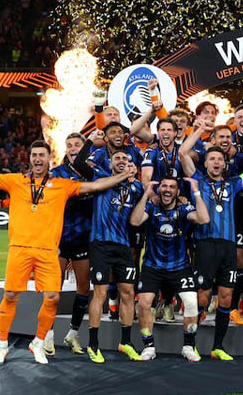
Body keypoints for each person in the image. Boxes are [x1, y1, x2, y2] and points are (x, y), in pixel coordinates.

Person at [0, 141, 132, 365]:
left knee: (52, 298)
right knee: (11, 295)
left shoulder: (62, 185)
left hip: (48, 252)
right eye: (34, 155)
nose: (38, 159)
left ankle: (38, 342)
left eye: (42, 155)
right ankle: (2, 345)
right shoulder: (16, 181)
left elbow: (95, 186)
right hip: (19, 250)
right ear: (30, 159)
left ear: (49, 158)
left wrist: (123, 176)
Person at [180, 117, 243, 361]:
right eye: (212, 158)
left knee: (225, 297)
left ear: (225, 164)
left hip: (228, 247)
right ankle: (189, 345)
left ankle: (218, 347)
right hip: (205, 244)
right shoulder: (198, 180)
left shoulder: (233, 184)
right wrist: (199, 130)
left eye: (220, 159)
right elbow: (183, 153)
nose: (216, 162)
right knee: (202, 297)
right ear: (205, 163)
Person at [130, 176, 209, 362]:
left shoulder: (183, 209)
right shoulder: (151, 207)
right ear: (159, 190)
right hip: (152, 265)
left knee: (191, 302)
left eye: (172, 187)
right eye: (164, 186)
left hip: (180, 266)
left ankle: (188, 346)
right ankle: (148, 346)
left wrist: (196, 191)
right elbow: (135, 221)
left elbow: (204, 218)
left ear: (177, 192)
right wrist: (146, 195)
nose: (167, 189)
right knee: (144, 304)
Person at [86, 150, 144, 363]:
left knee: (128, 293)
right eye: (117, 158)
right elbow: (84, 163)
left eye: (125, 159)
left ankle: (126, 342)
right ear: (110, 164)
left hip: (123, 245)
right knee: (100, 294)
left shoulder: (135, 188)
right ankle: (93, 344)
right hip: (100, 243)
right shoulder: (101, 178)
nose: (121, 161)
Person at [49, 132, 93, 355]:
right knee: (53, 289)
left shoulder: (92, 172)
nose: (73, 148)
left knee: (83, 288)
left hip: (83, 237)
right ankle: (47, 335)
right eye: (69, 145)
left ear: (84, 148)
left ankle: (72, 334)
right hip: (60, 237)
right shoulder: (57, 173)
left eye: (77, 144)